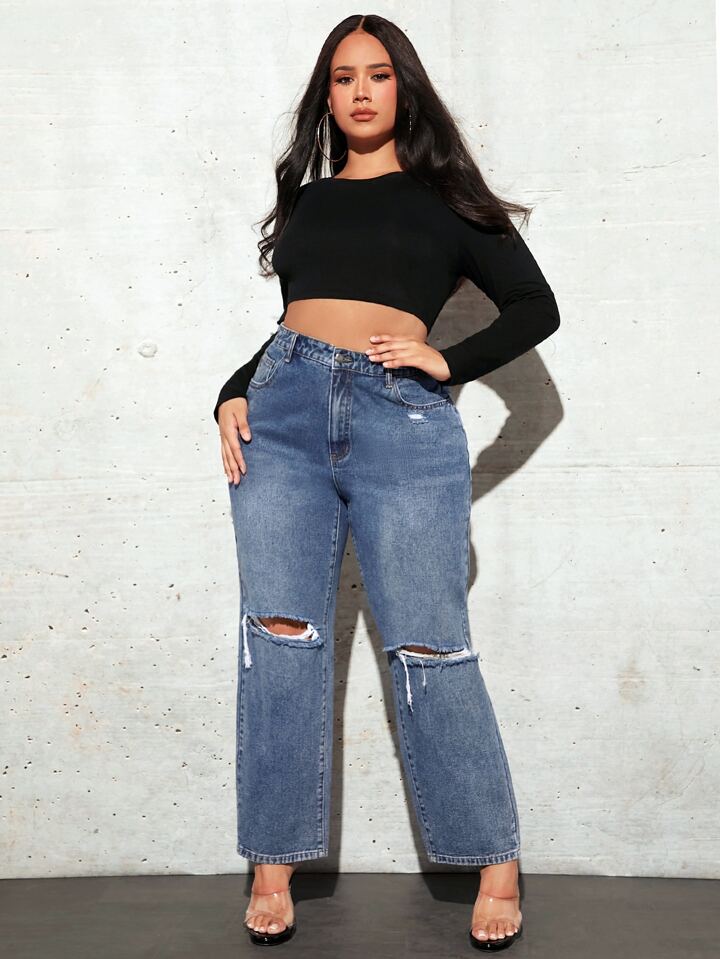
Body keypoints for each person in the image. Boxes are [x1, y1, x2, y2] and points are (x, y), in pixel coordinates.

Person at [214, 14, 560, 952]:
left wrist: (449, 360)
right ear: (326, 98)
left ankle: (493, 859)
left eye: (376, 74)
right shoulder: (309, 201)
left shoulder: (448, 200)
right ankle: (273, 863)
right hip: (282, 418)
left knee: (430, 645)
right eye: (342, 78)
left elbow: (535, 305)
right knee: (279, 638)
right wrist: (233, 390)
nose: (360, 91)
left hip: (399, 421)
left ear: (403, 87)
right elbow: (295, 323)